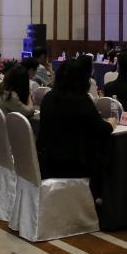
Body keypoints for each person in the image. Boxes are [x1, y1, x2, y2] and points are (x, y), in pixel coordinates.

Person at [36, 59, 114, 196]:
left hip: (47, 161)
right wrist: (111, 123)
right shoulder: (82, 101)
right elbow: (101, 129)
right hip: (76, 165)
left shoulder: (48, 98)